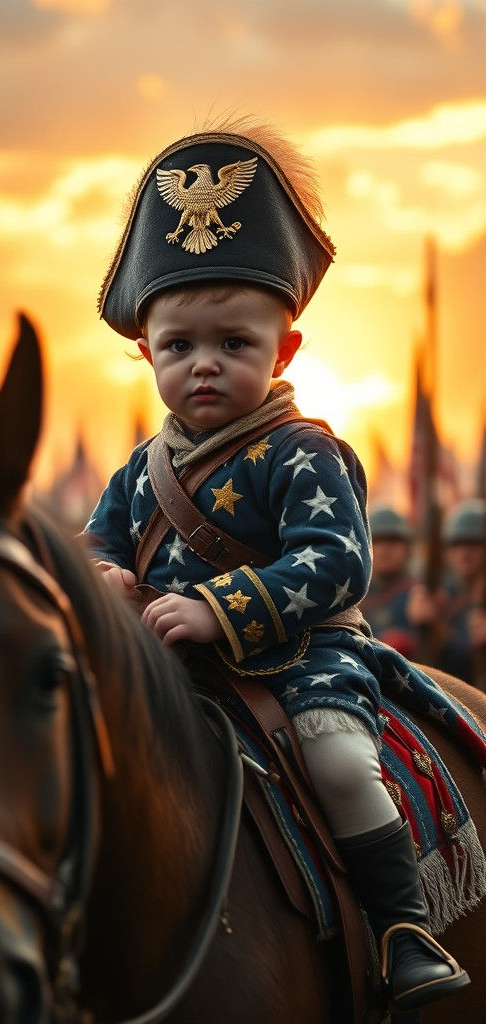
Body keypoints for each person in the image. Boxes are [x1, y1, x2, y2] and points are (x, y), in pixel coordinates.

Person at [85, 120, 469, 1012]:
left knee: (338, 763)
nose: (204, 366)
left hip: (303, 664)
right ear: (147, 352)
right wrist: (100, 580)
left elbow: (337, 563)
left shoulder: (304, 450)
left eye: (234, 344)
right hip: (172, 671)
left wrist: (222, 609)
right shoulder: (139, 470)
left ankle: (402, 930)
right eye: (179, 347)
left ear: (286, 350)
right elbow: (99, 541)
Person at [408, 499, 486, 685]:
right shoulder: (439, 593)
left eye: (474, 543)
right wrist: (419, 625)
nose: (464, 553)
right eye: (457, 544)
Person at [361, 506, 417, 657]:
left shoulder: (419, 592)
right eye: (377, 540)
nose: (385, 549)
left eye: (393, 540)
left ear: (408, 548)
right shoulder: (353, 594)